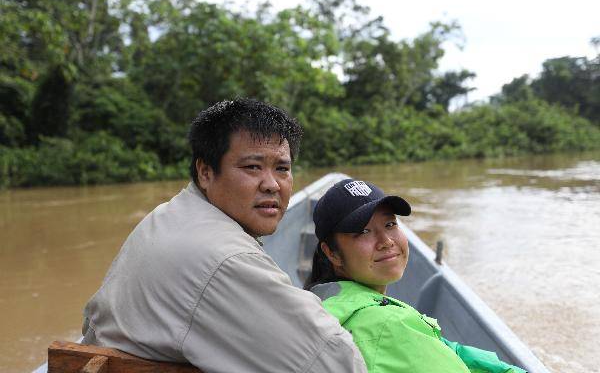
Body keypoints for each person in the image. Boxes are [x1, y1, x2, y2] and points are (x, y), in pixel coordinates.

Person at [81, 99, 367, 372]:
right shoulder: (226, 258)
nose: (271, 185)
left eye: (282, 168)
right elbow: (335, 363)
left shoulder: (168, 214)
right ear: (205, 172)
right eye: (252, 167)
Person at [305, 178, 526, 373]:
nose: (386, 241)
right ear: (331, 252)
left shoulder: (321, 304)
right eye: (363, 231)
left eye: (390, 224)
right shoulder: (389, 324)